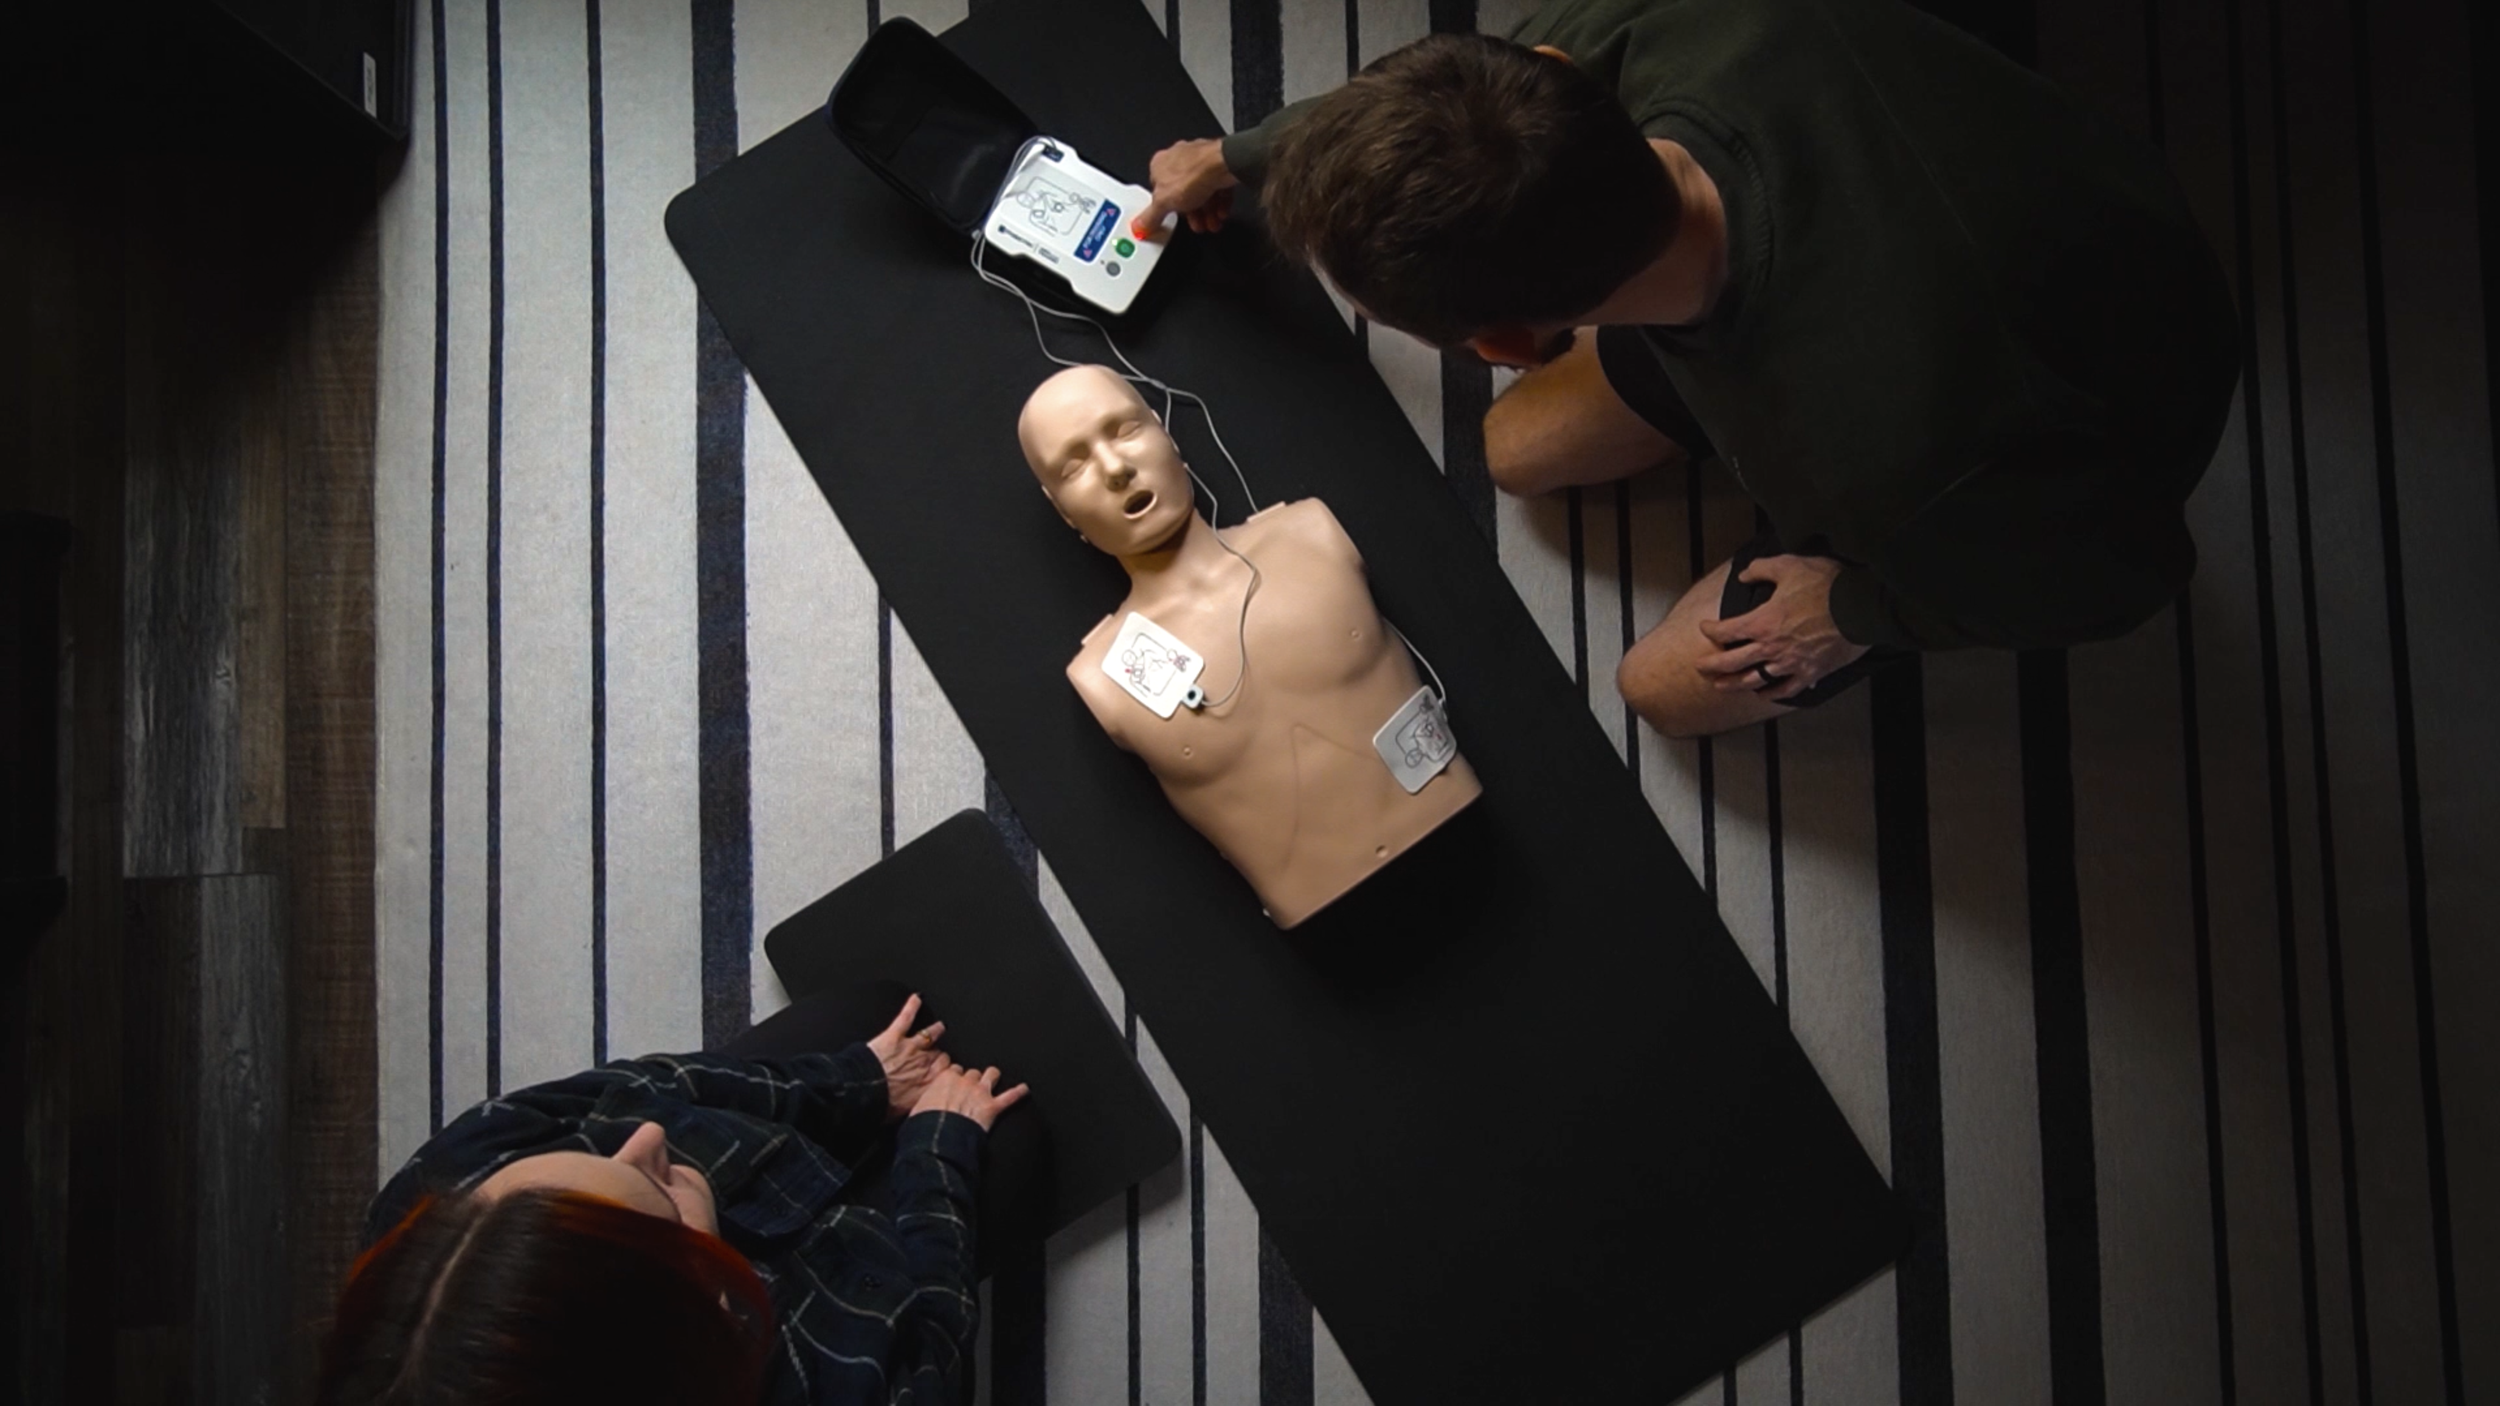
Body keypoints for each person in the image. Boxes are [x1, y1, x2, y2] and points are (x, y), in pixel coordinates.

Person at [1131, 0, 2240, 737]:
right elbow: (1435, 115)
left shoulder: (1909, 462)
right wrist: (1239, 156)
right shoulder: (1651, 38)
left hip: (2079, 405)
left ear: (1505, 343)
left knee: (1660, 689)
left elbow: (2126, 575)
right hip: (1955, 204)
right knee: (1517, 450)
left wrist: (1853, 609)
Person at [317, 987, 1031, 1406]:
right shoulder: (835, 1382)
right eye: (657, 1197)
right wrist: (938, 1152)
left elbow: (654, 1090)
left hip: (754, 1168)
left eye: (588, 1160)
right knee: (1026, 1138)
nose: (647, 1140)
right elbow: (933, 1345)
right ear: (711, 1323)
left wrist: (855, 1083)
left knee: (878, 1001)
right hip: (850, 1282)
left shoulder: (454, 1172)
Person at [1019, 363, 1480, 928]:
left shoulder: (1310, 533)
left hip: (1463, 831)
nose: (1116, 469)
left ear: (1168, 436)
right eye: (1074, 466)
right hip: (1328, 921)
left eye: (1125, 430)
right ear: (1063, 509)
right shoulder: (1102, 675)